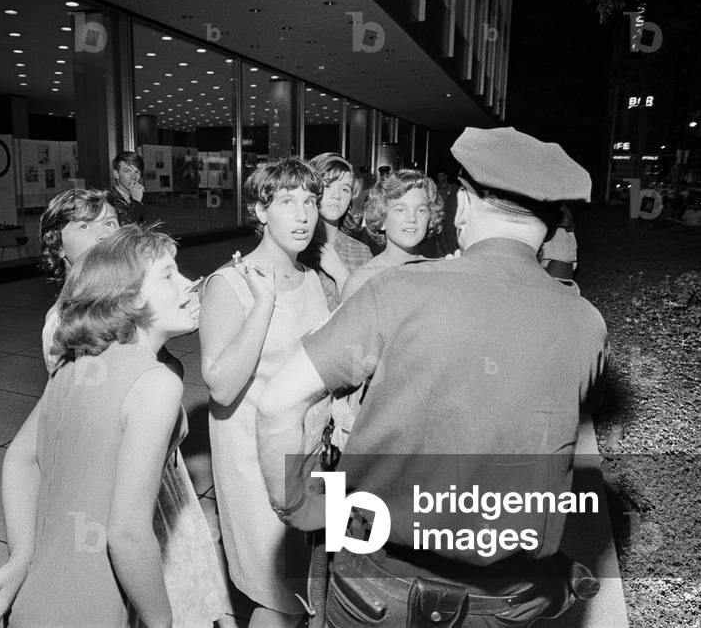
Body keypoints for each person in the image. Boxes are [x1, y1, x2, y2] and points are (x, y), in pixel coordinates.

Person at [256, 127, 609, 628]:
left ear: (462, 207)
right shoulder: (587, 324)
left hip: (378, 588)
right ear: (551, 228)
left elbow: (276, 406)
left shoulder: (397, 292)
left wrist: (297, 507)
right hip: (510, 603)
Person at [0, 225, 226, 628]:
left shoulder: (78, 363)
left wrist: (21, 555)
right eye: (167, 275)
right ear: (126, 299)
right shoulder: (156, 383)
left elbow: (20, 458)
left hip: (38, 595)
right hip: (93, 604)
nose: (189, 283)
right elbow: (126, 534)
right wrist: (161, 621)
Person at [199, 157, 331, 628]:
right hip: (255, 462)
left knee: (307, 588)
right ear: (260, 211)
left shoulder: (316, 279)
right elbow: (220, 385)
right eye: (286, 202)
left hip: (314, 452)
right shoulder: (228, 283)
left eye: (310, 202)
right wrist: (264, 304)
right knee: (278, 595)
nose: (302, 215)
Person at [38, 188, 183, 379]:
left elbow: (171, 369)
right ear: (57, 246)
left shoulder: (119, 301)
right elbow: (102, 399)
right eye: (84, 226)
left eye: (109, 223)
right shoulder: (62, 325)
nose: (104, 235)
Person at [340, 168, 443, 302]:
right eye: (400, 210)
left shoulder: (437, 271)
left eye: (421, 210)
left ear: (430, 218)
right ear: (381, 219)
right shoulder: (362, 281)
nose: (412, 218)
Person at [299, 152, 374, 310]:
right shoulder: (295, 247)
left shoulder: (361, 253)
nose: (337, 196)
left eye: (345, 189)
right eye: (328, 186)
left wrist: (341, 275)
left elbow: (366, 315)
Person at [539, 203, 579, 285]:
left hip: (551, 275)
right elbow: (575, 264)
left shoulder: (551, 234)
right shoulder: (571, 234)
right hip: (567, 275)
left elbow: (545, 257)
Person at [111, 151, 147, 224]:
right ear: (116, 174)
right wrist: (136, 203)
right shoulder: (109, 200)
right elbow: (127, 231)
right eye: (127, 171)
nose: (133, 177)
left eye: (137, 172)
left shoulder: (135, 196)